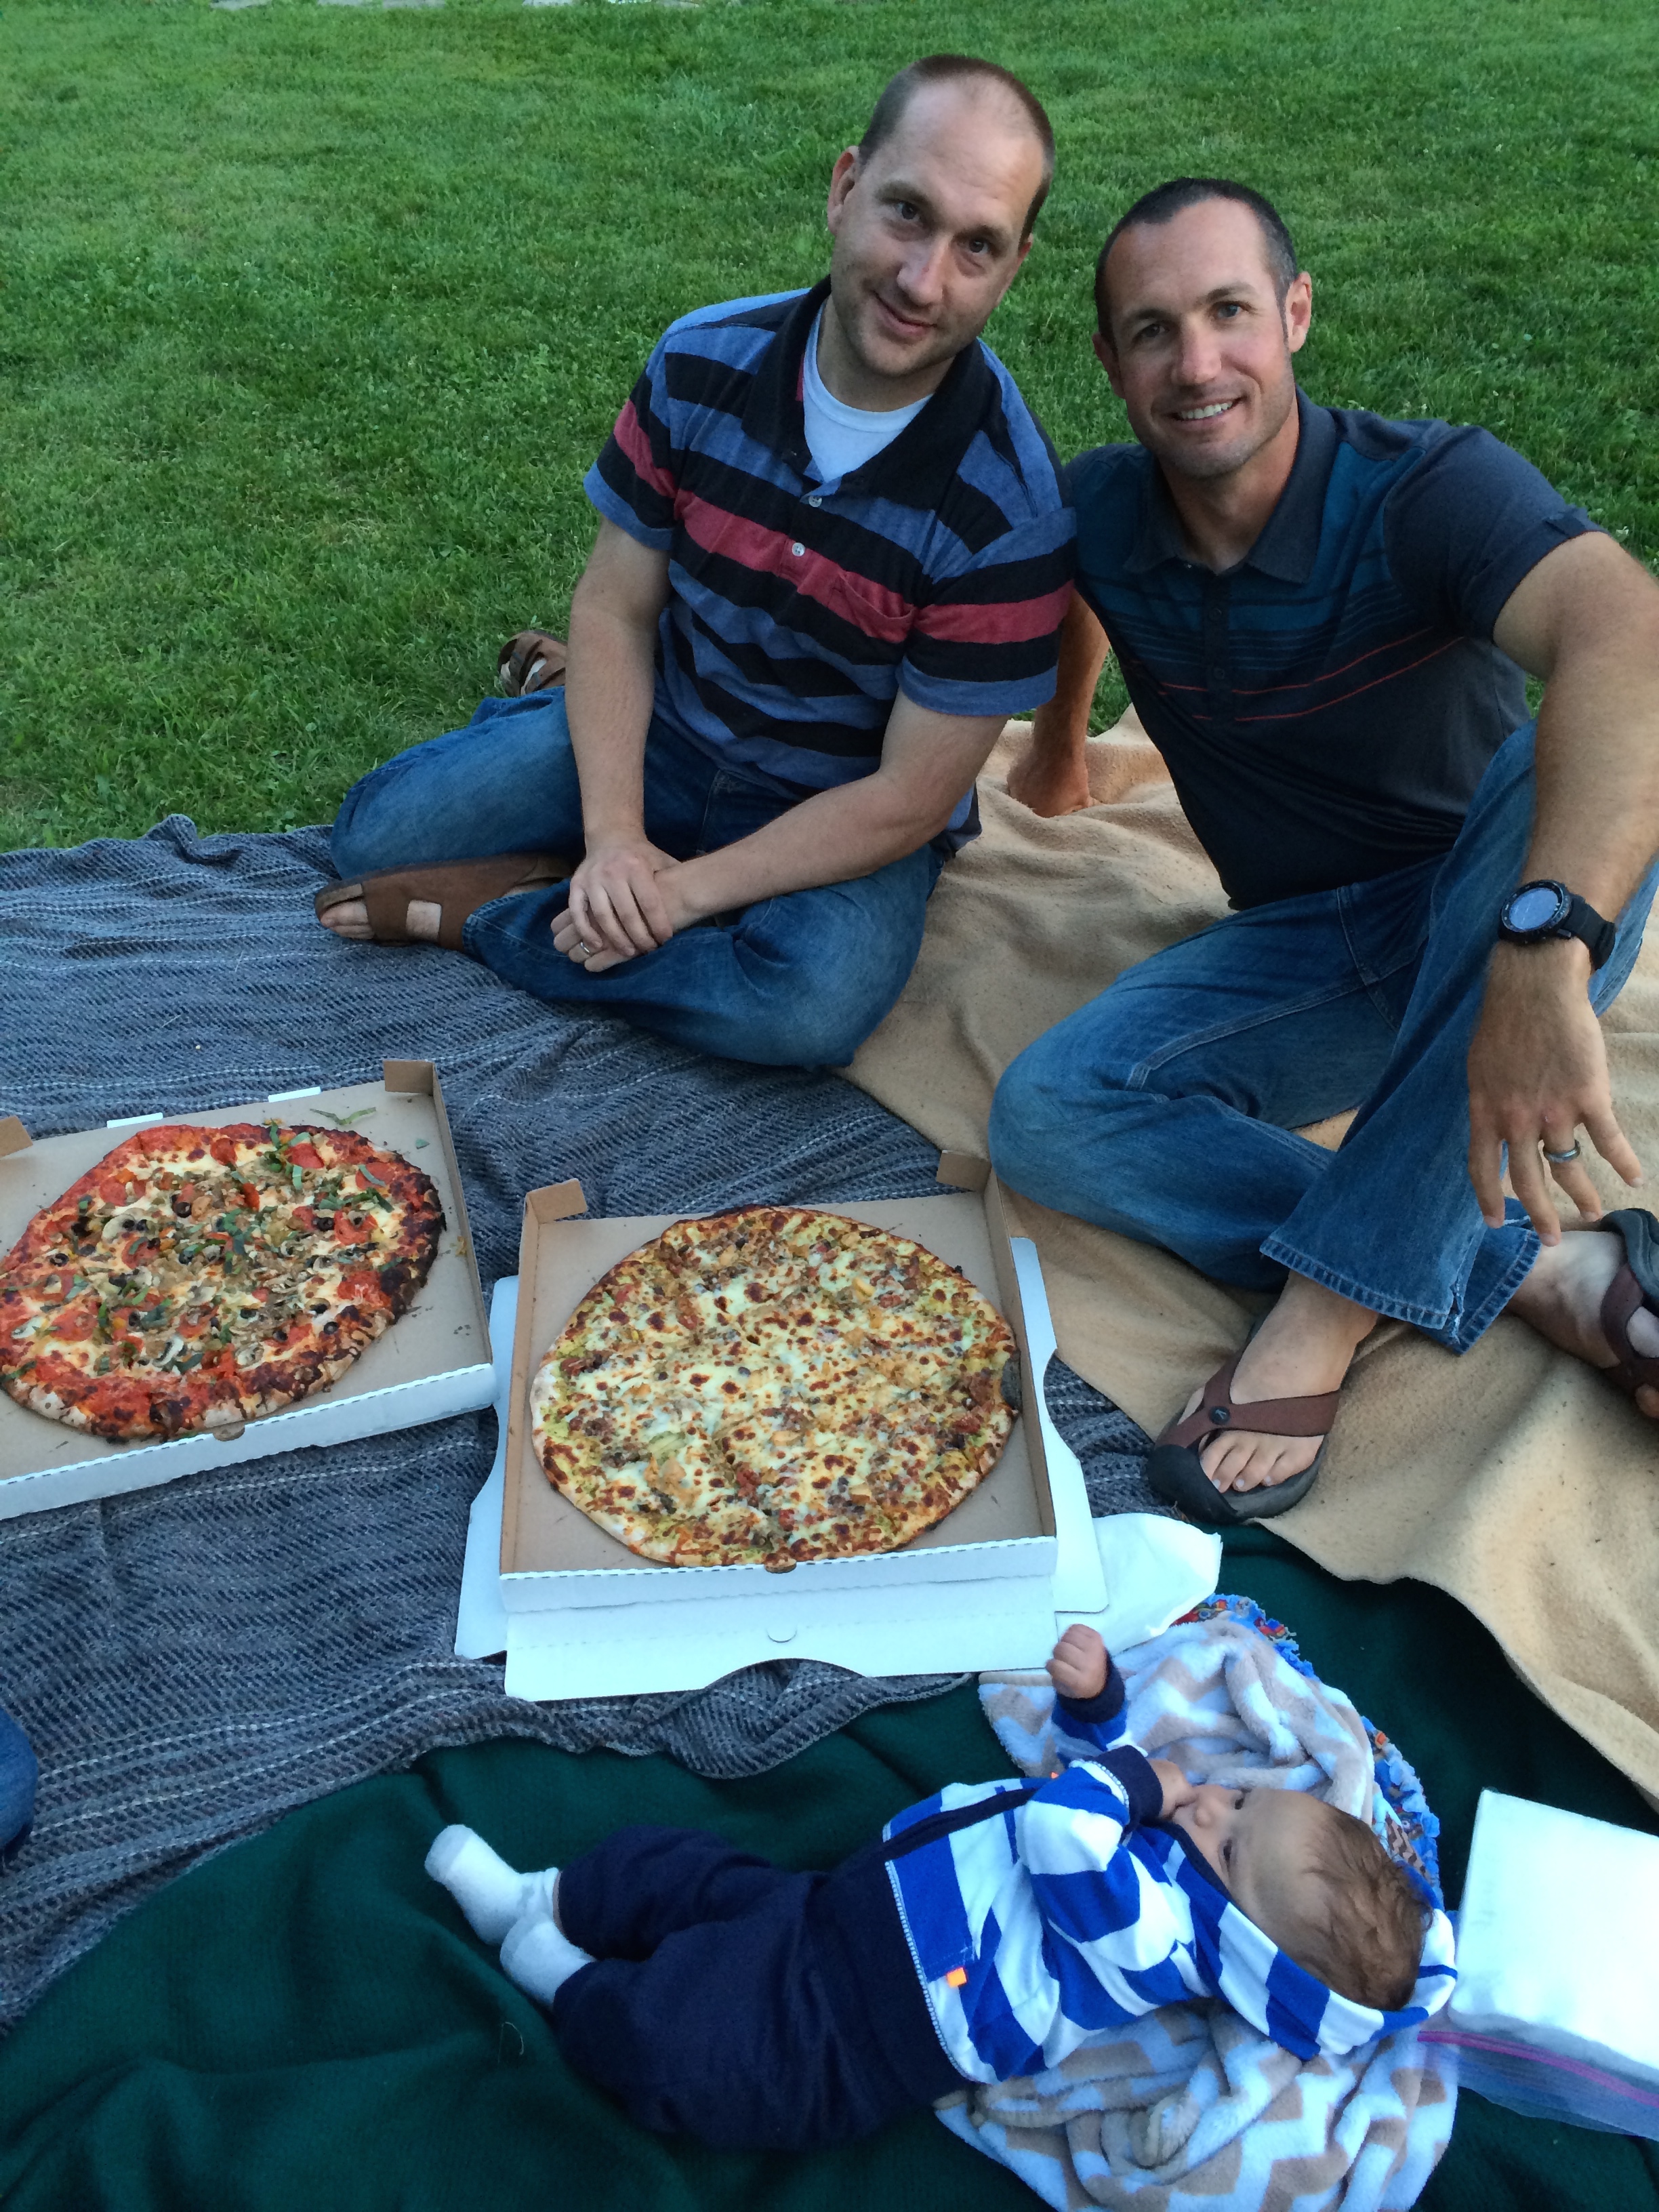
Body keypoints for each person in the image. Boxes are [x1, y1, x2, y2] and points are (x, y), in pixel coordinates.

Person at [987, 178, 1659, 1520]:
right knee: (1048, 1113)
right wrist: (1059, 747)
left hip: (1491, 910)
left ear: (1294, 312)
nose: (1199, 364)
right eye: (1155, 331)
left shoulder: (1429, 490)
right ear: (1112, 361)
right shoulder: (1104, 508)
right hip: (1305, 942)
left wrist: (1541, 956)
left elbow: (1630, 638)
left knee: (1567, 752)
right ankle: (1535, 1268)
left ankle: (1326, 1315)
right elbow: (1074, 591)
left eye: (1230, 312)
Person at [315, 56, 1073, 1070]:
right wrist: (616, 835)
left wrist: (673, 894)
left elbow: (907, 799)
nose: (922, 280)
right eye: (907, 212)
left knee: (804, 1011)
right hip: (673, 719)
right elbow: (616, 609)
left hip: (839, 806)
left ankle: (496, 913)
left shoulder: (1011, 505)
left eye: (976, 245)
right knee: (373, 838)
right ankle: (575, 738)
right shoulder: (701, 360)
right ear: (845, 187)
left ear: (1014, 267)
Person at [423, 1624, 1452, 2151]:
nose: (1212, 1807)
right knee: (680, 1873)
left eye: (1231, 1849)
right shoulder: (1172, 1851)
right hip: (832, 1910)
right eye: (1242, 1800)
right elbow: (1082, 1777)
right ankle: (547, 1896)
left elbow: (1064, 1828)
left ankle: (561, 1978)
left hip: (858, 2034)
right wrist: (1099, 1709)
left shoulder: (1158, 1944)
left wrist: (1137, 1780)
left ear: (1243, 1952)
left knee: (681, 2048)